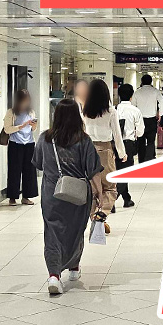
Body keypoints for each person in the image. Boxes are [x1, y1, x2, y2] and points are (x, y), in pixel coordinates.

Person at [31, 99, 103, 295]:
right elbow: (93, 170)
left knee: (52, 233)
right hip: (78, 195)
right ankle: (73, 267)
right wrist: (99, 192)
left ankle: (54, 275)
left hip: (52, 194)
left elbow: (38, 163)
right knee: (75, 231)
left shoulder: (45, 139)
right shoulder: (84, 140)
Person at [82, 79, 126, 232]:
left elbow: (82, 133)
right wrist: (122, 153)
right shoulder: (110, 111)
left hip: (88, 150)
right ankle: (100, 215)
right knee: (110, 188)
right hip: (105, 150)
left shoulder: (84, 111)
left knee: (92, 188)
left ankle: (95, 217)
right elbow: (117, 134)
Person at [3, 89, 39, 206]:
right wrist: (21, 126)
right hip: (15, 143)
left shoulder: (31, 112)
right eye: (24, 100)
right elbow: (7, 129)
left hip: (29, 143)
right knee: (14, 170)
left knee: (29, 171)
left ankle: (26, 197)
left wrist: (34, 126)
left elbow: (33, 130)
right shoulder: (11, 112)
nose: (26, 102)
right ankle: (12, 197)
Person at [115, 83, 144, 209]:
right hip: (128, 144)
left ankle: (127, 199)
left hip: (114, 144)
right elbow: (140, 131)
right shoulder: (135, 111)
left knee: (118, 171)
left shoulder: (114, 109)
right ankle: (112, 199)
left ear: (119, 95)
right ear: (132, 96)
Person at [131, 74, 163, 163]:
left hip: (140, 120)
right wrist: (160, 114)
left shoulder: (137, 92)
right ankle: (150, 159)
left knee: (141, 141)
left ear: (142, 81)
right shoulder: (155, 91)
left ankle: (141, 160)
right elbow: (162, 101)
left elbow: (133, 106)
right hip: (152, 120)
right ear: (151, 82)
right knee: (151, 141)